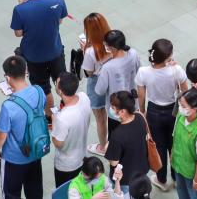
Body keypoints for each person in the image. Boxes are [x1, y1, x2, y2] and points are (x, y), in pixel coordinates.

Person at [11, 0, 68, 116]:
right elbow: (60, 21)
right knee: (62, 82)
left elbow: (18, 33)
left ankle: (50, 117)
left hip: (34, 57)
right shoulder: (58, 0)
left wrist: (22, 5)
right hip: (55, 51)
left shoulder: (20, 9)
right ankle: (68, 109)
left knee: (44, 89)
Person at [135, 39, 188, 191]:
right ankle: (177, 178)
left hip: (154, 112)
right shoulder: (176, 70)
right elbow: (186, 92)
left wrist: (142, 111)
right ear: (166, 58)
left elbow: (141, 96)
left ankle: (161, 179)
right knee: (174, 145)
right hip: (173, 111)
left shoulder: (143, 72)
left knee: (159, 147)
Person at [0, 55, 47, 199]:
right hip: (35, 151)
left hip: (14, 159)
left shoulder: (8, 106)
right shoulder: (39, 91)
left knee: (11, 194)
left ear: (8, 78)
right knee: (35, 191)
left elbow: (2, 134)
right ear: (26, 71)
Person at [51, 72, 92, 187]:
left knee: (65, 191)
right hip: (82, 156)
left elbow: (58, 144)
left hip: (66, 166)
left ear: (60, 91)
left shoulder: (62, 118)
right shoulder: (84, 97)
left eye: (56, 83)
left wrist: (54, 124)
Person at [105, 90, 151, 193]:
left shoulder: (117, 135)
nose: (111, 110)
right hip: (142, 171)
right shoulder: (140, 117)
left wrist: (107, 148)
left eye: (113, 108)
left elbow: (113, 162)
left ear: (122, 111)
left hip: (125, 179)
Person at [95, 30, 142, 132]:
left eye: (106, 44)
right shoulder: (133, 54)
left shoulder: (107, 67)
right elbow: (139, 71)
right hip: (133, 104)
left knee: (116, 136)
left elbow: (99, 91)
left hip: (116, 110)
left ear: (112, 48)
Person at [81, 12, 112, 155]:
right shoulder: (113, 41)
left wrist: (84, 52)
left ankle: (103, 146)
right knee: (114, 114)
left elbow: (89, 72)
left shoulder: (90, 51)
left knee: (100, 118)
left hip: (96, 82)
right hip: (112, 80)